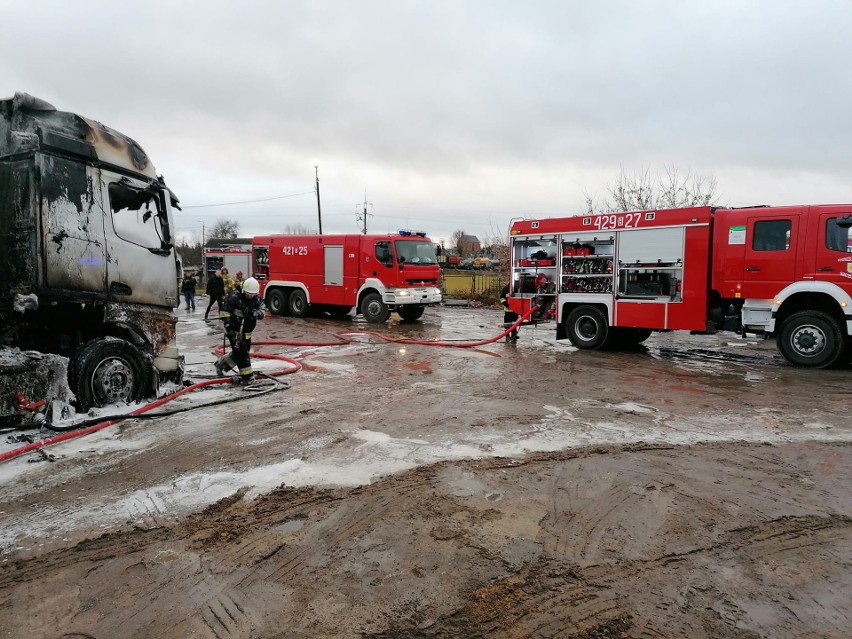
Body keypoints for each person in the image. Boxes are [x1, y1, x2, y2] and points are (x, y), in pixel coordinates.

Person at [215, 277, 266, 381]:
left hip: (247, 333)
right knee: (243, 355)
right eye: (248, 294)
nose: (250, 296)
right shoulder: (235, 297)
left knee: (240, 353)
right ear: (243, 290)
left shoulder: (257, 299)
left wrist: (257, 313)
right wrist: (230, 327)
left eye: (253, 294)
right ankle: (247, 377)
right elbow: (224, 313)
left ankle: (221, 364)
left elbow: (263, 310)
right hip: (234, 332)